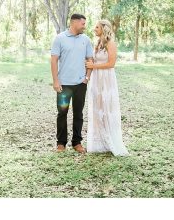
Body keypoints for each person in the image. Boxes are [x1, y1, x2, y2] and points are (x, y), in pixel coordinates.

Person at [84, 19, 129, 156]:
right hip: (97, 79)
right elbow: (92, 61)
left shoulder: (111, 44)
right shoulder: (98, 44)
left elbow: (111, 64)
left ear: (104, 28)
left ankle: (111, 140)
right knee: (97, 108)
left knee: (107, 108)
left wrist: (93, 66)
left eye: (96, 27)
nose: (94, 29)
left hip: (107, 79)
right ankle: (99, 143)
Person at [50, 13, 94, 153]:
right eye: (82, 24)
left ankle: (77, 142)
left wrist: (86, 78)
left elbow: (90, 60)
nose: (84, 27)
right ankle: (61, 143)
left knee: (78, 113)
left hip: (80, 85)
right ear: (74, 23)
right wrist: (56, 81)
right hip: (64, 85)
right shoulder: (60, 38)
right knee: (62, 113)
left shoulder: (86, 40)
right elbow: (54, 60)